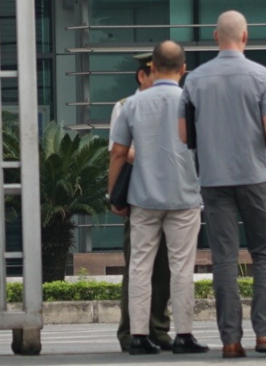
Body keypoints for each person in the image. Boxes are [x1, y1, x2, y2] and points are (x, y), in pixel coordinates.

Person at [181, 11, 266, 358]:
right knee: (264, 255)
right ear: (245, 37)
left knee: (224, 258)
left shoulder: (195, 79)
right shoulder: (262, 76)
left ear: (215, 37)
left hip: (213, 180)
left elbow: (184, 135)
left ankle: (230, 340)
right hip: (254, 176)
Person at [109, 40, 211, 356]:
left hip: (143, 198)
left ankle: (138, 336)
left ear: (152, 67)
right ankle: (183, 335)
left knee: (139, 266)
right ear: (183, 69)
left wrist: (114, 196)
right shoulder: (191, 102)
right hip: (184, 196)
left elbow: (117, 153)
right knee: (182, 268)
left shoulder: (132, 105)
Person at [113, 52, 175, 352]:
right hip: (139, 197)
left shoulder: (172, 104)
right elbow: (121, 151)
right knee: (137, 267)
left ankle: (159, 328)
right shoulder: (126, 107)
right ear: (143, 75)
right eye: (156, 72)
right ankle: (129, 331)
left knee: (165, 267)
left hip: (171, 194)